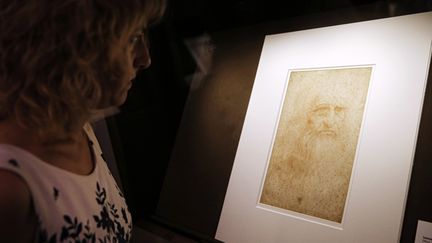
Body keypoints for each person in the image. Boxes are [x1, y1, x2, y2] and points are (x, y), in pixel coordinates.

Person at [0, 0, 165, 242]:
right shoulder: (10, 188)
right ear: (75, 48)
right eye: (132, 39)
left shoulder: (79, 125)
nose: (145, 58)